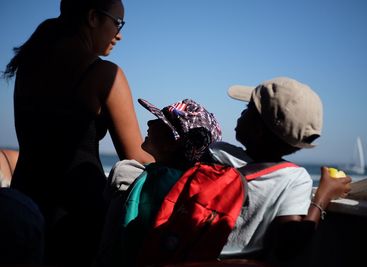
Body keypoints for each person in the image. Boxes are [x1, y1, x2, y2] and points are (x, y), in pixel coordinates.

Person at [2, 0, 153, 265]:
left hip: (24, 202)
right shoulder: (105, 74)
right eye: (117, 23)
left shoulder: (28, 65)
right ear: (93, 17)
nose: (119, 34)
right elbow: (137, 158)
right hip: (76, 215)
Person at [206, 76, 352, 265]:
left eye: (247, 109)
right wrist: (323, 196)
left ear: (258, 130)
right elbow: (288, 247)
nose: (240, 114)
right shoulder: (293, 178)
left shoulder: (216, 153)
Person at [94, 98, 222, 267]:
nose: (149, 122)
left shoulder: (133, 176)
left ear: (173, 144)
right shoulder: (191, 188)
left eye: (160, 121)